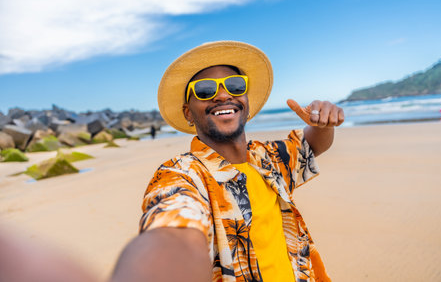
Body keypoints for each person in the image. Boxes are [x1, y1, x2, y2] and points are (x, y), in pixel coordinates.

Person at [112, 41, 344, 282]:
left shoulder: (267, 158)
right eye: (204, 90)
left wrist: (322, 124)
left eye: (234, 86)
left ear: (247, 103)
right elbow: (172, 223)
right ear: (188, 113)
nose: (223, 95)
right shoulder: (181, 174)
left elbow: (312, 145)